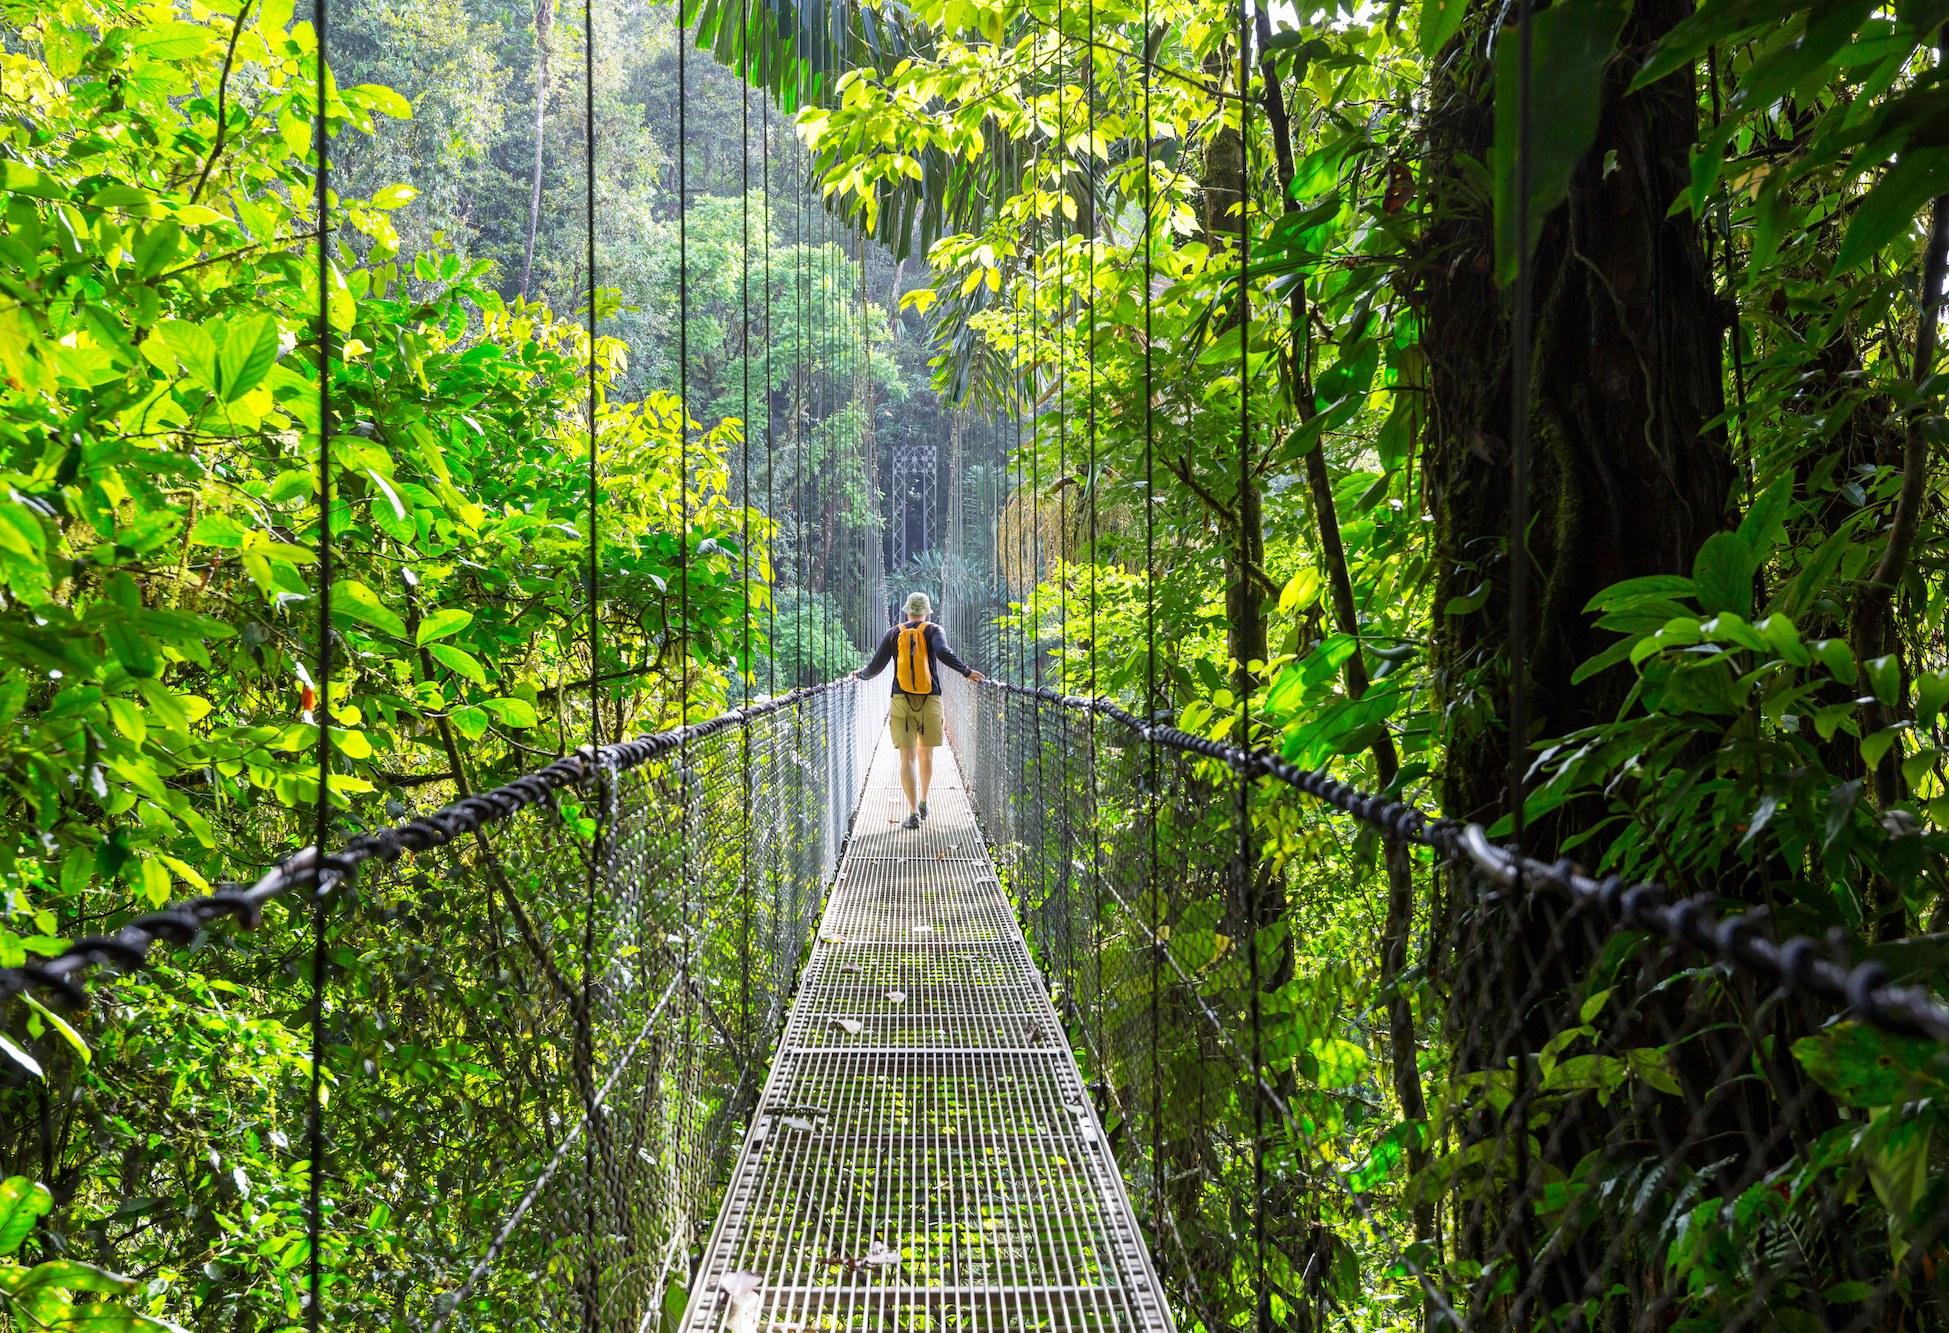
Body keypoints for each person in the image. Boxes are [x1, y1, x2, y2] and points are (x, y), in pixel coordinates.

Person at [854, 592, 985, 828]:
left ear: (906, 611)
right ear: (927, 612)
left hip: (901, 699)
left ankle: (913, 813)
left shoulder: (894, 633)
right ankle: (924, 802)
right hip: (930, 699)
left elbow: (876, 666)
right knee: (927, 754)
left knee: (907, 758)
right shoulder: (934, 630)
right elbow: (943, 653)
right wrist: (966, 672)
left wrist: (860, 675)